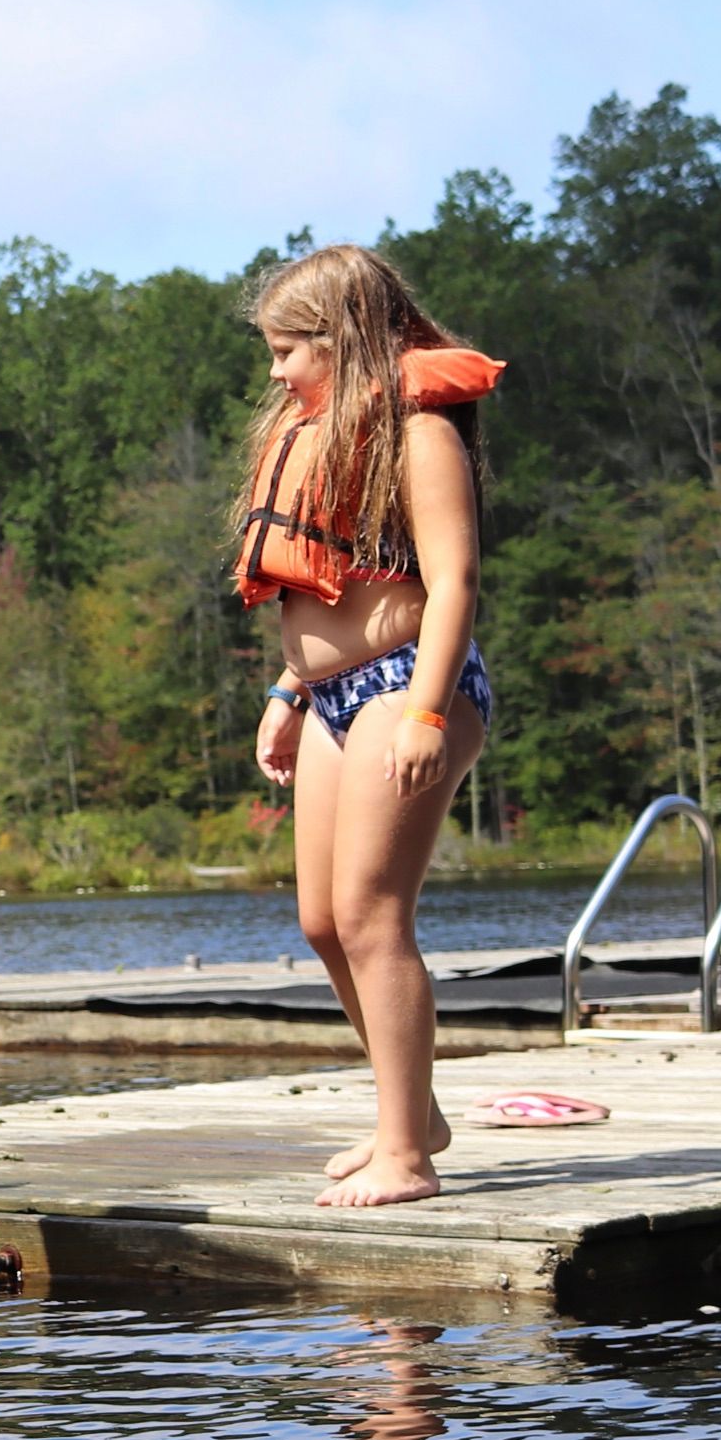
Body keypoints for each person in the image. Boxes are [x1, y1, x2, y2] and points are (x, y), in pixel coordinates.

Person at [235, 245, 505, 1209]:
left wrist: (429, 710)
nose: (275, 370)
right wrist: (286, 689)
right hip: (327, 697)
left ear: (343, 339)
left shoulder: (417, 434)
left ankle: (408, 1154)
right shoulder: (314, 434)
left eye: (288, 349)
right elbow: (332, 584)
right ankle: (412, 1110)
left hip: (405, 684)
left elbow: (450, 586)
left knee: (370, 916)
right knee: (320, 921)